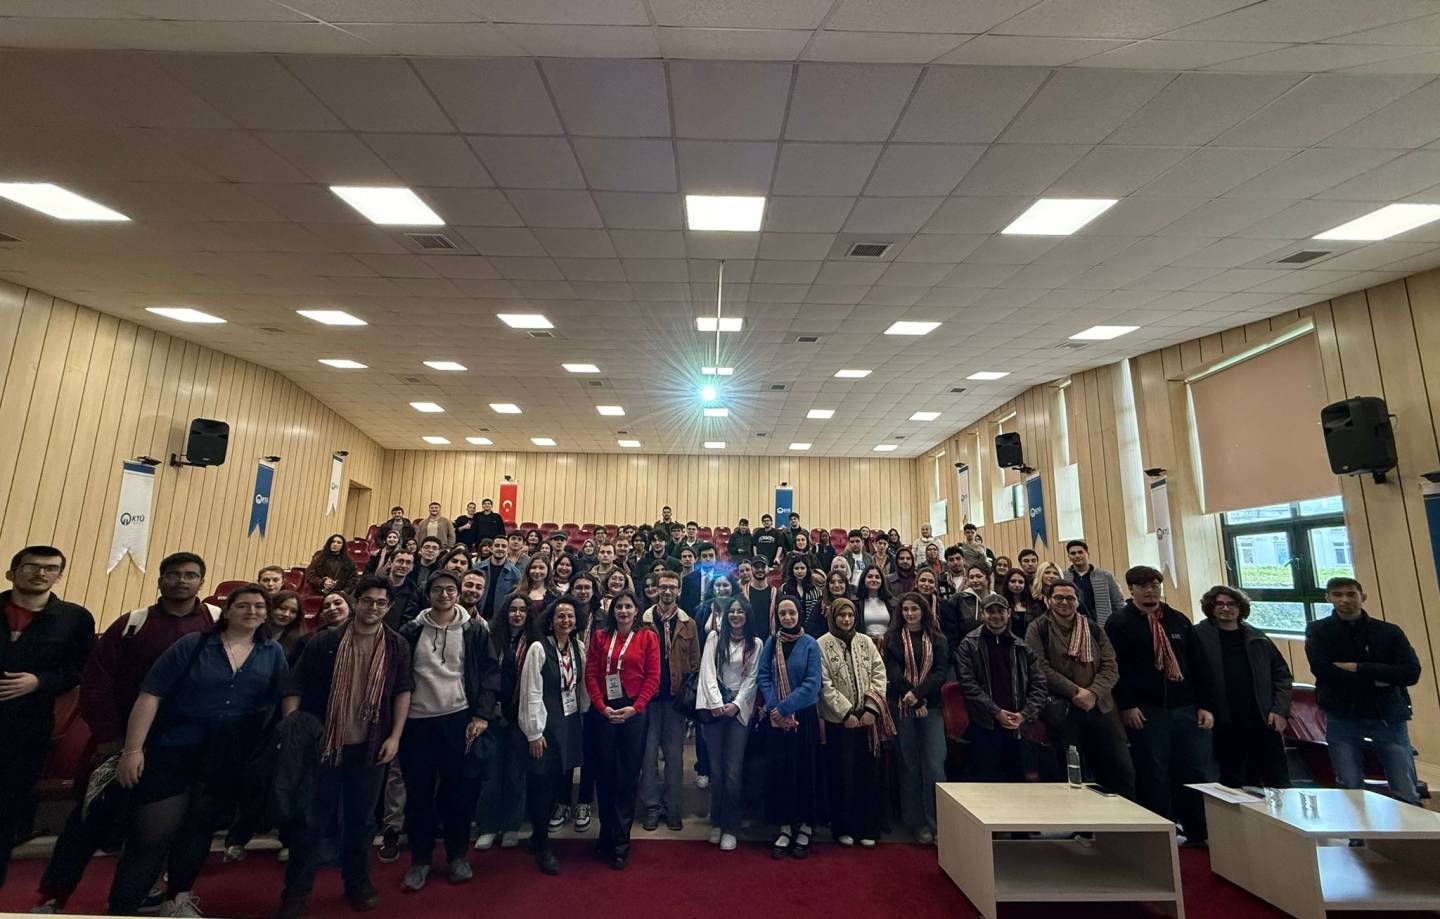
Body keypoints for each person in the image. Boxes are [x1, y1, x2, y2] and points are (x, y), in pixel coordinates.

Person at [34, 552, 214, 912]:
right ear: (160, 580)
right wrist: (112, 737)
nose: (181, 581)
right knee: (87, 822)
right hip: (121, 741)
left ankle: (150, 897)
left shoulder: (215, 622)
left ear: (201, 582)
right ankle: (54, 897)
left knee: (162, 829)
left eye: (190, 575)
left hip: (182, 748)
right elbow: (96, 682)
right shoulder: (133, 624)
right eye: (174, 574)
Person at [107, 585, 287, 917]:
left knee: (199, 829)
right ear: (227, 611)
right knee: (152, 835)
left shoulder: (272, 651)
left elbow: (277, 702)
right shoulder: (193, 644)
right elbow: (150, 695)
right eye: (243, 605)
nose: (252, 611)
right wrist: (132, 750)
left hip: (227, 755)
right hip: (175, 747)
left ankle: (177, 899)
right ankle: (122, 910)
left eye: (259, 606)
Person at [275, 576, 413, 918]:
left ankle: (357, 882)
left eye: (381, 603)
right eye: (368, 601)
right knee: (311, 821)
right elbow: (295, 687)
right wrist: (295, 732)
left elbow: (402, 691)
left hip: (370, 746)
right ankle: (296, 891)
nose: (374, 607)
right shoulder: (325, 641)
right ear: (356, 602)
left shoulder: (396, 645)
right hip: (324, 746)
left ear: (389, 607)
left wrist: (395, 737)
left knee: (361, 822)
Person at [395, 570, 499, 891]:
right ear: (429, 594)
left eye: (450, 589)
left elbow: (489, 674)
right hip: (416, 722)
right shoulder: (411, 631)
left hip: (458, 721)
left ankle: (457, 856)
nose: (444, 595)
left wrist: (482, 715)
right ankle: (421, 860)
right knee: (418, 795)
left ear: (458, 593)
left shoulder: (474, 630)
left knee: (458, 793)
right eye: (438, 589)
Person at [0, 547, 94, 890]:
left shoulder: (74, 618)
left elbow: (82, 669)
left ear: (59, 575)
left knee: (6, 808)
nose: (41, 574)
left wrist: (40, 681)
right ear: (12, 572)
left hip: (27, 725)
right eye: (32, 567)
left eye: (50, 568)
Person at [1105, 566, 1215, 844]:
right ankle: (1161, 830)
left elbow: (1199, 664)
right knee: (1154, 772)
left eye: (1155, 585)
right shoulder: (1119, 623)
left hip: (1185, 707)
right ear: (1131, 589)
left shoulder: (1178, 620)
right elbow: (1116, 668)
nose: (1150, 590)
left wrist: (1205, 704)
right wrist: (1127, 705)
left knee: (1194, 770)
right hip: (1146, 710)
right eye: (1143, 586)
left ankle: (1198, 829)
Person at [1305, 576, 1422, 804]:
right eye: (1337, 595)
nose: (1344, 600)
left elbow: (1410, 673)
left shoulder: (1388, 631)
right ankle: (1357, 826)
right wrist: (1376, 679)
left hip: (1387, 713)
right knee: (1349, 784)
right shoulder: (1318, 630)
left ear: (1363, 597)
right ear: (1328, 598)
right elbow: (1323, 671)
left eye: (1351, 594)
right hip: (1342, 713)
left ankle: (1410, 826)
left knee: (1404, 783)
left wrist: (1359, 667)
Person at [1024, 580, 1134, 798]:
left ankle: (1122, 817)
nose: (1064, 602)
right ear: (1048, 600)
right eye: (1059, 598)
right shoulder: (1038, 628)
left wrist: (1093, 693)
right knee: (1071, 774)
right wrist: (1076, 692)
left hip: (1100, 707)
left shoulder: (1092, 628)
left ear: (1077, 601)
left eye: (1070, 598)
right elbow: (1039, 666)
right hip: (1064, 710)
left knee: (1120, 770)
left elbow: (1111, 665)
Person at [585, 591, 661, 870]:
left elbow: (653, 676)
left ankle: (620, 841)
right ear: (612, 610)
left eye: (629, 606)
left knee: (627, 777)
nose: (624, 611)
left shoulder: (647, 637)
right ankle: (605, 835)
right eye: (619, 606)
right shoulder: (600, 637)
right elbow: (591, 674)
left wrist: (636, 707)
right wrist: (600, 706)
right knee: (604, 774)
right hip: (604, 711)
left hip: (633, 711)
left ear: (636, 610)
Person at [1193, 586, 1292, 789]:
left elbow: (1282, 676)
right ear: (1211, 607)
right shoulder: (1197, 636)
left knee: (1278, 780)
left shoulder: (1258, 638)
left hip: (1262, 719)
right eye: (1220, 604)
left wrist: (1279, 710)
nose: (1226, 608)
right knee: (1233, 782)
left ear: (1241, 608)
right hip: (1222, 722)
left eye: (1231, 604)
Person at [519, 596, 589, 875]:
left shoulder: (577, 647)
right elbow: (530, 691)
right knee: (542, 785)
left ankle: (538, 839)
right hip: (545, 726)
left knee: (559, 782)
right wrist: (534, 732)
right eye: (560, 616)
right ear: (550, 620)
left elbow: (580, 687)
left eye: (570, 616)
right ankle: (542, 843)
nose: (566, 620)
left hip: (569, 723)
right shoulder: (539, 648)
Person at [817, 598, 891, 848]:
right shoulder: (822, 644)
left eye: (850, 615)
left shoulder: (865, 641)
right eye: (841, 615)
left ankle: (868, 827)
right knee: (842, 774)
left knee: (868, 773)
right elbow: (824, 685)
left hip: (868, 719)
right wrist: (846, 713)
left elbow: (879, 674)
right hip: (840, 722)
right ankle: (843, 827)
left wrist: (871, 709)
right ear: (833, 617)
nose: (846, 619)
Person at [954, 595, 1048, 781]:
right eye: (990, 611)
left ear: (1009, 613)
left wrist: (1024, 714)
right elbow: (969, 685)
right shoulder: (968, 645)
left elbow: (1040, 684)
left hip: (1017, 725)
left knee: (1017, 783)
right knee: (985, 783)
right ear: (982, 614)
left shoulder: (1021, 647)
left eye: (1000, 611)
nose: (996, 616)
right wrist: (996, 712)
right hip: (984, 724)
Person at [757, 596, 823, 859]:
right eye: (783, 613)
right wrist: (775, 708)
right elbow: (763, 675)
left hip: (803, 718)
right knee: (781, 772)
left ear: (799, 614)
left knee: (805, 771)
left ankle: (805, 826)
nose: (787, 617)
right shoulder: (771, 642)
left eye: (792, 613)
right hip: (776, 719)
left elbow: (813, 683)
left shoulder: (810, 644)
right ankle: (784, 826)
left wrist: (785, 708)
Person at [697, 597, 761, 852]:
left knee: (733, 771)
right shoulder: (715, 637)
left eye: (740, 611)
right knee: (717, 769)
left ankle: (731, 827)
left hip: (738, 709)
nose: (735, 615)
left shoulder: (755, 643)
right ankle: (716, 822)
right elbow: (707, 672)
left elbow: (752, 678)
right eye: (732, 611)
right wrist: (716, 703)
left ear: (747, 615)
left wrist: (736, 704)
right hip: (714, 707)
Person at [884, 592, 948, 844]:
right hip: (902, 705)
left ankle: (938, 822)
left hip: (931, 706)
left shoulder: (938, 638)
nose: (910, 614)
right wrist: (911, 697)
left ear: (923, 611)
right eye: (906, 610)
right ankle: (916, 823)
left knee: (934, 765)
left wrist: (919, 696)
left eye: (915, 609)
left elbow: (940, 672)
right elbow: (893, 672)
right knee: (909, 764)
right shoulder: (892, 639)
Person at [638, 571, 699, 832]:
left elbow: (694, 662)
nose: (667, 591)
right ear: (656, 589)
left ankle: (672, 807)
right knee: (648, 756)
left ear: (679, 591)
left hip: (675, 701)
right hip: (648, 699)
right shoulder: (642, 621)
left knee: (674, 757)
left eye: (672, 587)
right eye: (663, 587)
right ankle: (652, 807)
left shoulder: (688, 623)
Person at [474, 594, 533, 852]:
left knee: (515, 774)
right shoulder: (492, 638)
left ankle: (511, 826)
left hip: (520, 714)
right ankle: (488, 826)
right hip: (493, 714)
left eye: (522, 610)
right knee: (491, 773)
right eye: (513, 610)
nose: (517, 615)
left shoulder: (534, 642)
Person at [1065, 540, 1125, 626]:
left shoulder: (1105, 576)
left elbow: (1118, 601)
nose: (1077, 555)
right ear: (1069, 557)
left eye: (1080, 552)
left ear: (1087, 554)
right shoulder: (1064, 577)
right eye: (1073, 553)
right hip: (1073, 625)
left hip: (1102, 625)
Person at [939, 564, 988, 650]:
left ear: (987, 578)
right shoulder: (958, 599)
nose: (975, 580)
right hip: (965, 650)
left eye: (979, 576)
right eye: (971, 577)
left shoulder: (995, 599)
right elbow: (950, 630)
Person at [475, 536, 521, 624]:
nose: (500, 548)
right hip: (477, 617)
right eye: (497, 545)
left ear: (508, 549)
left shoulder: (515, 573)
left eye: (503, 546)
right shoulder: (477, 568)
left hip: (500, 620)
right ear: (491, 548)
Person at [780, 553, 825, 638]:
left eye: (802, 568)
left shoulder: (816, 589)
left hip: (811, 631)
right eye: (796, 568)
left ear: (807, 569)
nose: (799, 571)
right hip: (789, 629)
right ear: (792, 570)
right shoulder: (784, 588)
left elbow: (817, 614)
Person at [736, 558, 774, 641]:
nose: (760, 569)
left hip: (769, 639)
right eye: (756, 567)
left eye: (762, 566)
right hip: (748, 639)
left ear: (768, 569)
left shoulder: (775, 593)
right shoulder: (740, 594)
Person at [381, 550, 421, 628]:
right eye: (400, 561)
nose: (403, 566)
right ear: (390, 563)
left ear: (412, 567)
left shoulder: (415, 593)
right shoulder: (375, 587)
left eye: (408, 562)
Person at [1001, 570, 1042, 640]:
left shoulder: (1034, 606)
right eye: (1013, 581)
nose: (1017, 585)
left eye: (1020, 582)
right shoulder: (1001, 604)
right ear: (1007, 583)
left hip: (1029, 643)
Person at [517, 556, 559, 620]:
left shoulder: (555, 595)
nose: (537, 571)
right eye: (533, 567)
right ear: (528, 569)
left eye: (541, 568)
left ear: (548, 570)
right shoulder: (517, 592)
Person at [265, 589, 305, 655]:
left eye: (293, 611)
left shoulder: (300, 642)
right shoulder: (253, 632)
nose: (286, 614)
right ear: (270, 608)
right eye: (282, 608)